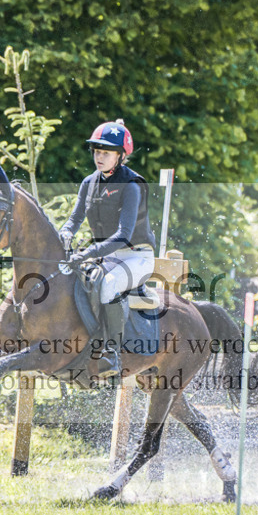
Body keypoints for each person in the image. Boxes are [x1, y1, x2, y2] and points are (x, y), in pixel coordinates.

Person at [59, 119, 157, 379]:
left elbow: (123, 236)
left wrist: (89, 253)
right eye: (97, 151)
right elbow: (74, 219)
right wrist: (66, 232)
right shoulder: (88, 182)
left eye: (106, 152)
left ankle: (112, 354)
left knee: (110, 284)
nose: (99, 157)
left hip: (137, 256)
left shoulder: (131, 185)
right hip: (106, 255)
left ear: (120, 156)